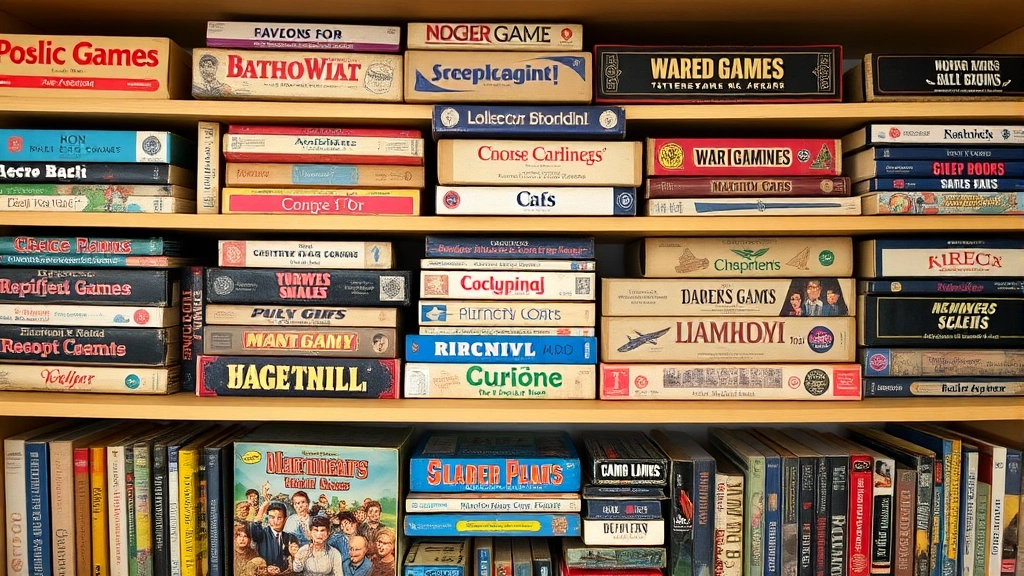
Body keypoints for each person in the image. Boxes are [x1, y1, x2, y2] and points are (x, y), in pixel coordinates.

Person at [248, 501, 299, 574]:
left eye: (279, 518)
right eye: (272, 517)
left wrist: (293, 557)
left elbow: (294, 564)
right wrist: (262, 508)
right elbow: (255, 529)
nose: (275, 521)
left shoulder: (291, 538)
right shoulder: (262, 533)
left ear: (285, 519)